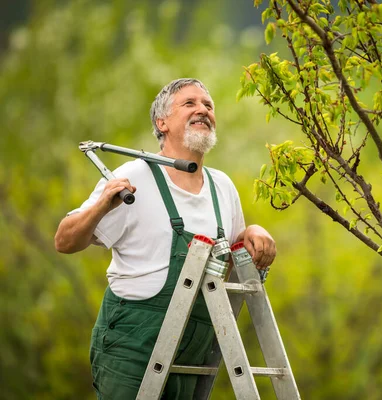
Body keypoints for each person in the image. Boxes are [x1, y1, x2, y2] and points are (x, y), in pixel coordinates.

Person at [54, 78, 276, 399]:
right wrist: (103, 204)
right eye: (190, 104)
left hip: (194, 353)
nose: (203, 110)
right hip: (133, 346)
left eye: (208, 105)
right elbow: (64, 240)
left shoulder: (222, 186)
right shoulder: (135, 176)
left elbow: (234, 244)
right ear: (162, 123)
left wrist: (254, 232)